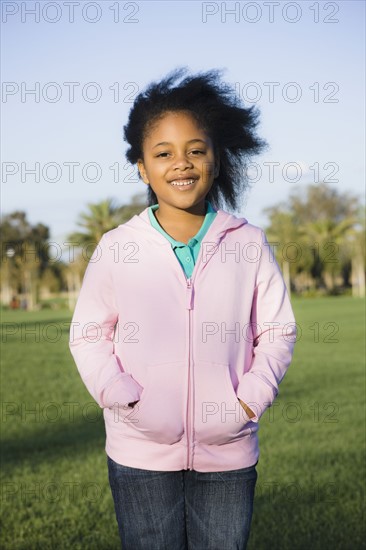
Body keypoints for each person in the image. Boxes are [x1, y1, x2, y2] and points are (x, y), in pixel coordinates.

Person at [69, 67, 297, 550]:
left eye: (196, 150)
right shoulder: (117, 246)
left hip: (228, 450)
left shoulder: (249, 243)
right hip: (140, 451)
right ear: (141, 167)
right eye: (164, 153)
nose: (182, 163)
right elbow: (89, 333)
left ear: (217, 158)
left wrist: (249, 399)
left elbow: (277, 332)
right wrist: (123, 396)